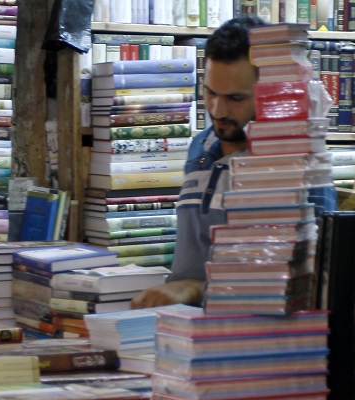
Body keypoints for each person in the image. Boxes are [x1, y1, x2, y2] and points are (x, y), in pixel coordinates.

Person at [131, 16, 337, 309]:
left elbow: (313, 282)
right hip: (182, 330)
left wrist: (201, 290)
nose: (218, 109)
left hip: (252, 341)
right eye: (210, 92)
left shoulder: (298, 161)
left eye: (236, 98)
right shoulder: (201, 146)